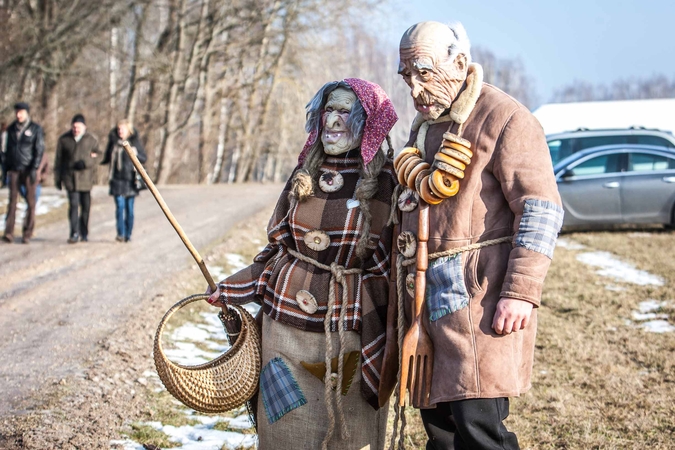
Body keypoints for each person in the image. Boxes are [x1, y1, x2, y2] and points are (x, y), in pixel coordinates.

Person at [388, 22, 564, 450]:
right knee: (441, 431)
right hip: (428, 307)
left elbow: (541, 210)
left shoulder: (506, 118)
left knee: (480, 429)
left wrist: (520, 291)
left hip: (479, 303)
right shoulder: (428, 124)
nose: (414, 88)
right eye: (407, 75)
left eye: (424, 72)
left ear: (460, 63)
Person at [207, 79, 398, 449]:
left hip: (349, 331)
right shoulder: (304, 175)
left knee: (349, 431)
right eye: (329, 109)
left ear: (369, 122)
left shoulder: (386, 181)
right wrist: (230, 288)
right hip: (285, 330)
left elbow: (390, 264)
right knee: (284, 429)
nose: (334, 119)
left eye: (346, 111)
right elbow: (277, 249)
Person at [2, 102, 45, 244]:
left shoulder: (35, 129)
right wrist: (5, 169)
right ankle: (9, 232)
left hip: (28, 169)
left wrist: (35, 168)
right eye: (17, 112)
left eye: (21, 112)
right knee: (12, 202)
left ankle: (27, 232)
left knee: (31, 202)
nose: (18, 115)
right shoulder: (10, 130)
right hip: (14, 169)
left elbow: (39, 150)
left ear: (27, 113)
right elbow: (5, 150)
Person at [54, 114, 101, 243]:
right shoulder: (64, 140)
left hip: (86, 179)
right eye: (74, 127)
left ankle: (84, 232)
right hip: (70, 178)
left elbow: (99, 157)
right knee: (73, 206)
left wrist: (86, 162)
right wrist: (58, 179)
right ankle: (74, 232)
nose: (76, 130)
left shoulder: (91, 140)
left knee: (85, 207)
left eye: (79, 127)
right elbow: (58, 161)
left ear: (84, 127)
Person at [100, 119, 146, 242]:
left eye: (122, 129)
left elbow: (143, 158)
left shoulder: (134, 143)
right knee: (120, 207)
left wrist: (135, 153)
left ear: (128, 130)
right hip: (117, 180)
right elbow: (106, 158)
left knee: (129, 210)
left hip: (131, 181)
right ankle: (120, 233)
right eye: (118, 129)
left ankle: (128, 234)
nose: (120, 131)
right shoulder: (113, 143)